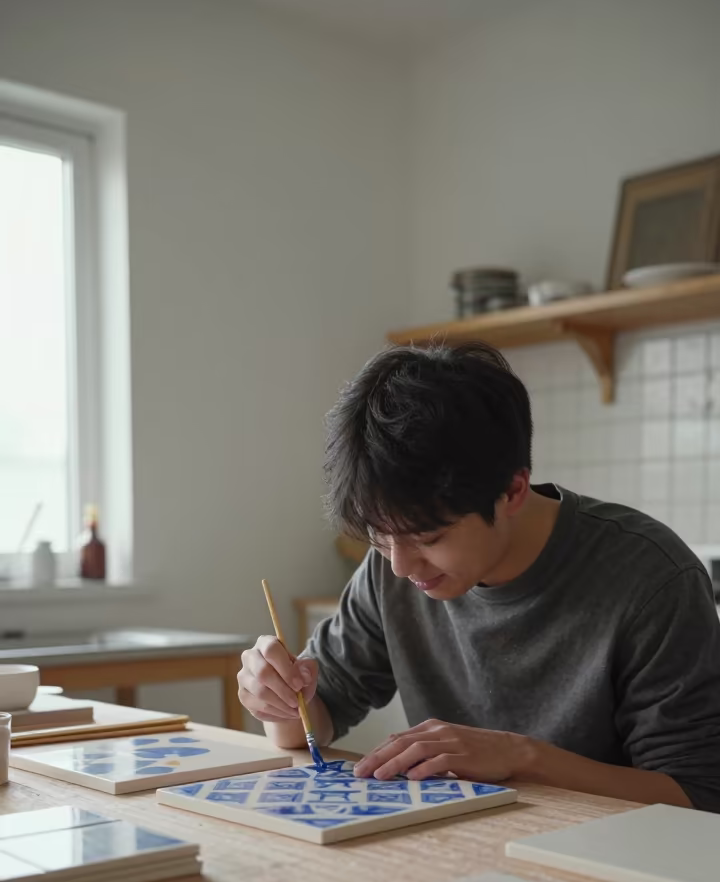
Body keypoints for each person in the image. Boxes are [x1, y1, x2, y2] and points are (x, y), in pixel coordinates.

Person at [237, 342, 720, 811]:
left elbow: (698, 796)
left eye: (428, 537)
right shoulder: (390, 567)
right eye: (378, 538)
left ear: (511, 491)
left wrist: (522, 756)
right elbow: (316, 721)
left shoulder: (651, 577)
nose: (400, 567)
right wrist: (277, 700)